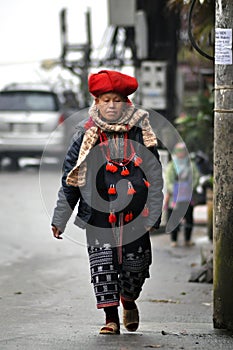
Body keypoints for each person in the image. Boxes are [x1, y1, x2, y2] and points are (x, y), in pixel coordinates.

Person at [51, 70, 163, 335]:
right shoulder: (85, 136)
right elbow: (71, 178)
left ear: (126, 103)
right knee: (104, 267)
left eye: (116, 100)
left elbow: (155, 176)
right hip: (99, 215)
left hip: (136, 214)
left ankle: (129, 300)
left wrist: (154, 215)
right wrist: (60, 218)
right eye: (105, 100)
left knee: (136, 267)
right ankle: (110, 318)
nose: (111, 105)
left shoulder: (140, 133)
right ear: (96, 103)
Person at [164, 142, 199, 247]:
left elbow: (195, 177)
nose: (181, 153)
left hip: (187, 196)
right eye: (179, 151)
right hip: (174, 197)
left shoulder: (190, 164)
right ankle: (173, 240)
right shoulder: (172, 165)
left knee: (189, 218)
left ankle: (187, 239)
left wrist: (190, 187)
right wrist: (175, 190)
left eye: (183, 151)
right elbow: (168, 180)